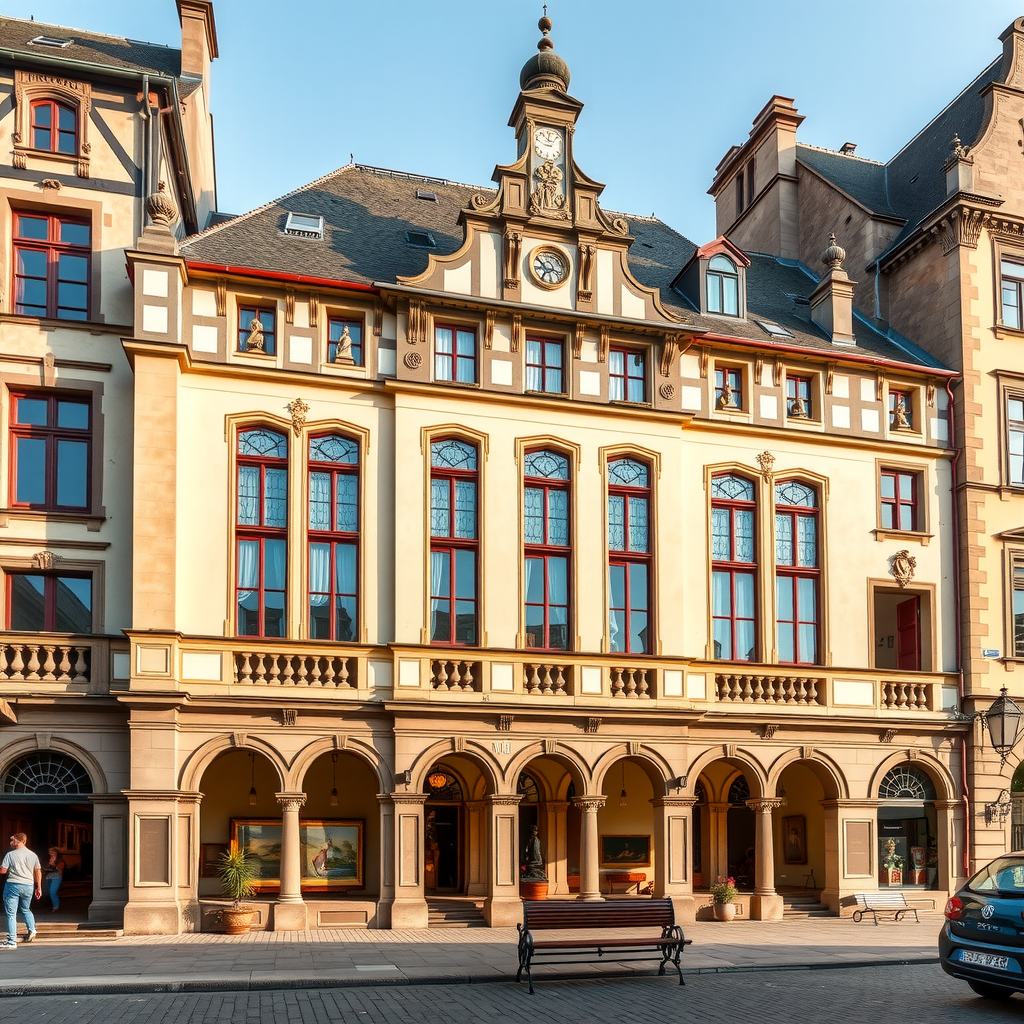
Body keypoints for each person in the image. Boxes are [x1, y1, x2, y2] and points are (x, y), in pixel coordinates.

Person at [1, 833, 42, 948]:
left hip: (13, 885)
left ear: (19, 841)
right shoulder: (33, 855)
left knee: (11, 914)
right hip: (29, 885)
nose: (10, 842)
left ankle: (12, 941)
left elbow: (3, 871)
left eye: (12, 840)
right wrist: (38, 887)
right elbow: (38, 871)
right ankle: (32, 929)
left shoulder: (10, 855)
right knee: (25, 909)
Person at [45, 848, 65, 912]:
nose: (50, 853)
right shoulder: (48, 858)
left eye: (51, 851)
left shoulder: (59, 860)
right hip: (48, 876)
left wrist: (61, 877)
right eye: (49, 851)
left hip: (56, 877)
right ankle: (51, 904)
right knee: (48, 892)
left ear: (55, 852)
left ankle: (56, 905)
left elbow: (60, 868)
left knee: (52, 892)